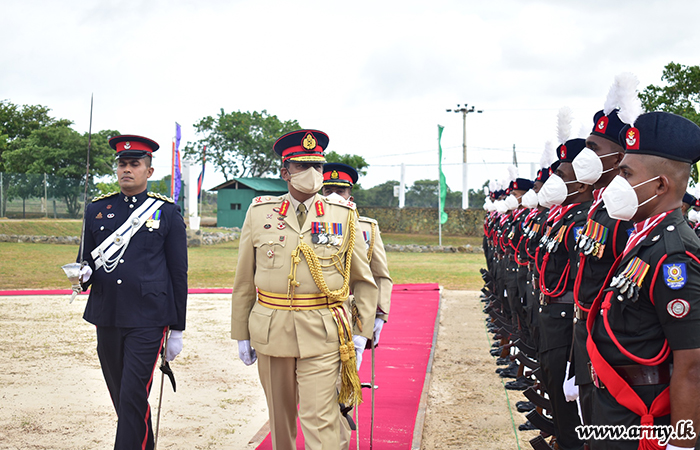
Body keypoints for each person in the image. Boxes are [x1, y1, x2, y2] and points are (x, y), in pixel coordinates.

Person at [230, 130, 378, 450]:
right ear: (285, 172)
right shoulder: (259, 213)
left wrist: (362, 333)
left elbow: (364, 281)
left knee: (321, 419)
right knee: (280, 421)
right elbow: (244, 280)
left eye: (317, 166)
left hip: (323, 330)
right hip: (271, 326)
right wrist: (241, 333)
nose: (312, 174)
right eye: (301, 166)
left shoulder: (343, 215)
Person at [587, 112, 700, 450]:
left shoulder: (673, 256)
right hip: (617, 405)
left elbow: (692, 363)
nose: (616, 183)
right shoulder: (644, 240)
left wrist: (681, 445)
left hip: (643, 416)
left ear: (660, 186)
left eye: (626, 173)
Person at [77, 134, 188, 450]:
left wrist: (177, 328)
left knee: (132, 395)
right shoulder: (97, 210)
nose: (127, 169)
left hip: (148, 319)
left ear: (149, 171)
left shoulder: (166, 213)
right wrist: (82, 275)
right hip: (107, 315)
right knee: (124, 399)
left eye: (134, 164)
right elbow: (84, 265)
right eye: (122, 163)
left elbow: (178, 275)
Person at [321, 162, 393, 450]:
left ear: (351, 194)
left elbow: (381, 275)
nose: (334, 195)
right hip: (317, 313)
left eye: (340, 190)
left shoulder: (367, 227)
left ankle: (338, 440)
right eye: (329, 190)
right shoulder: (311, 224)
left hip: (353, 318)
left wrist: (379, 315)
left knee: (344, 383)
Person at [537, 137, 593, 450]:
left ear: (582, 183)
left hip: (565, 317)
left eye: (562, 175)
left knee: (569, 410)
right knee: (557, 398)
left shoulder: (583, 220)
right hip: (553, 314)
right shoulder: (563, 219)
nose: (554, 182)